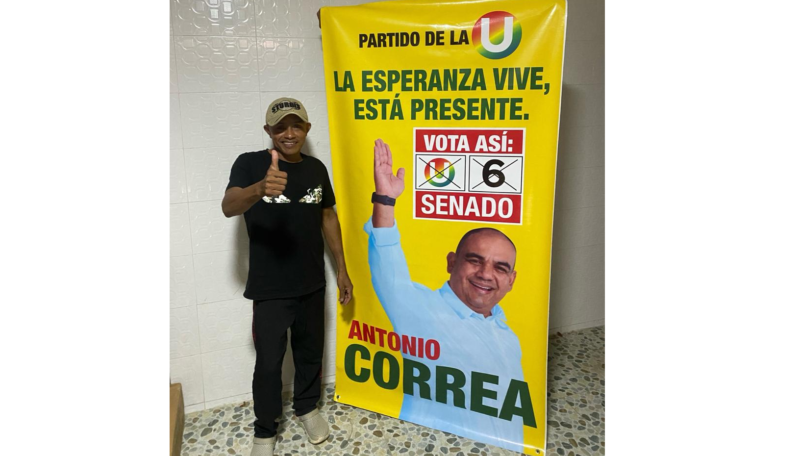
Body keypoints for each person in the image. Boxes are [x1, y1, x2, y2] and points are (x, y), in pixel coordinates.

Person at [364, 139, 525, 452]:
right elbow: (388, 266)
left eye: (500, 267)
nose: (486, 274)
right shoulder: (422, 309)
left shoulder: (509, 337)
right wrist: (385, 200)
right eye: (475, 260)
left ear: (511, 281)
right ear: (452, 262)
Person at [222, 97, 353, 456]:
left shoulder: (316, 169)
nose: (289, 133)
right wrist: (259, 189)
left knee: (310, 354)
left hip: (312, 282)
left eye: (296, 125)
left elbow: (328, 216)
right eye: (280, 127)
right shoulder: (250, 164)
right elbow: (228, 206)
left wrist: (341, 269)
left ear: (307, 129)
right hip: (270, 289)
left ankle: (307, 408)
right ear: (269, 131)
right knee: (268, 363)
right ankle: (265, 430)